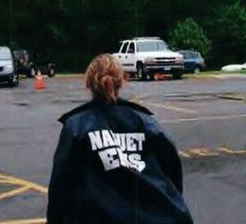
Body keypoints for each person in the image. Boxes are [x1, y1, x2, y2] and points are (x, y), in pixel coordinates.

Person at [46, 54, 193, 224]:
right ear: (122, 80)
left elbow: (60, 186)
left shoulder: (76, 127)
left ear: (88, 83)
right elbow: (172, 171)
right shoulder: (146, 123)